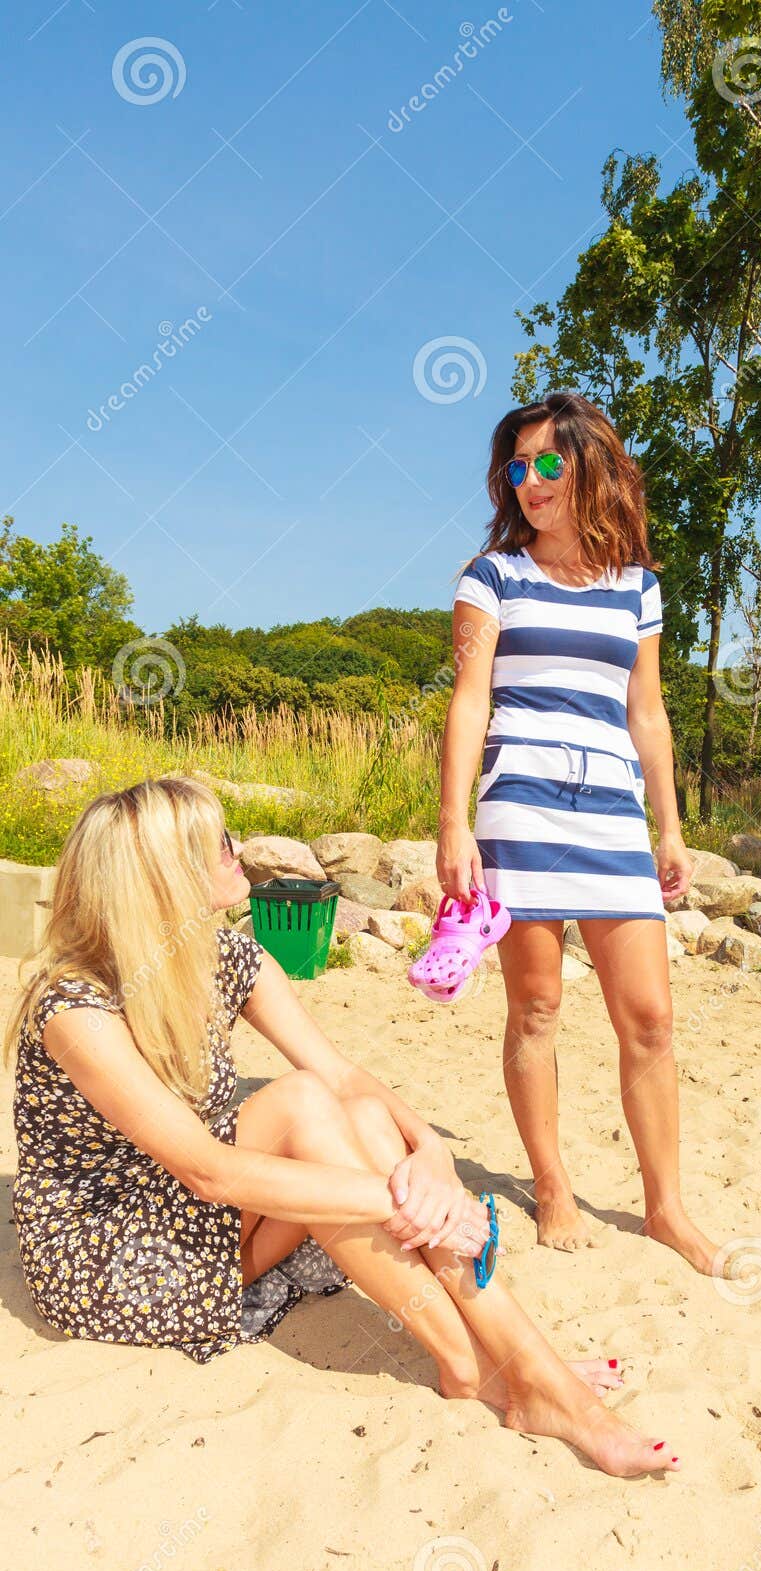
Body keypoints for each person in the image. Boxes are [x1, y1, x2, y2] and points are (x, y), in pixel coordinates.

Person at [5, 777, 678, 1478]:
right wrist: (408, 1204)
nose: (240, 855)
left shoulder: (228, 957)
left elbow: (347, 1078)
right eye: (220, 845)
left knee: (348, 1112)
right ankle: (516, 1375)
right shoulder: (75, 1008)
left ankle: (497, 1365)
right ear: (164, 880)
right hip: (117, 1253)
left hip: (199, 1210)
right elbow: (208, 1169)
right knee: (300, 1107)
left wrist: (434, 1157)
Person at [439, 390, 719, 1274]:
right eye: (516, 468)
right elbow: (470, 699)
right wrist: (454, 824)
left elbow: (648, 713)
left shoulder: (639, 587)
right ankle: (552, 1184)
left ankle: (667, 1207)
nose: (530, 482)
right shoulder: (491, 578)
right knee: (538, 1008)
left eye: (548, 464)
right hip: (518, 810)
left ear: (589, 466)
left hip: (611, 818)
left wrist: (669, 828)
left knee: (650, 1017)